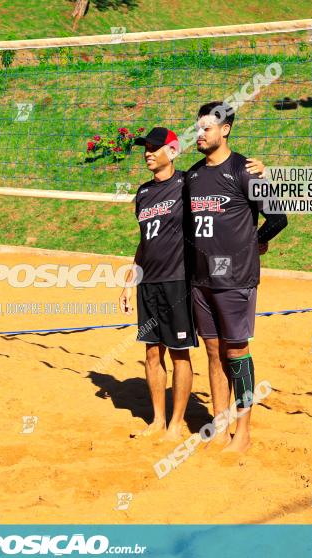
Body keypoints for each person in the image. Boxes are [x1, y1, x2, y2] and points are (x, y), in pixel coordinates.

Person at [119, 127, 264, 443]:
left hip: (180, 282)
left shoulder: (188, 182)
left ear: (171, 151)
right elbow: (144, 243)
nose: (148, 152)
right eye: (146, 147)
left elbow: (227, 189)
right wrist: (129, 282)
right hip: (149, 284)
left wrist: (259, 171)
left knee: (181, 353)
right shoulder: (142, 194)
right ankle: (158, 420)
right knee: (152, 353)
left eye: (155, 147)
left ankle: (176, 425)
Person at [186, 101, 287, 453]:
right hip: (200, 279)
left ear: (225, 129)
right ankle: (220, 422)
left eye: (207, 128)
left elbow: (277, 218)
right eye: (197, 128)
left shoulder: (245, 170)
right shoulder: (194, 175)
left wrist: (255, 242)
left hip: (235, 278)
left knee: (236, 351)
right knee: (213, 351)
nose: (200, 134)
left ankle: (243, 431)